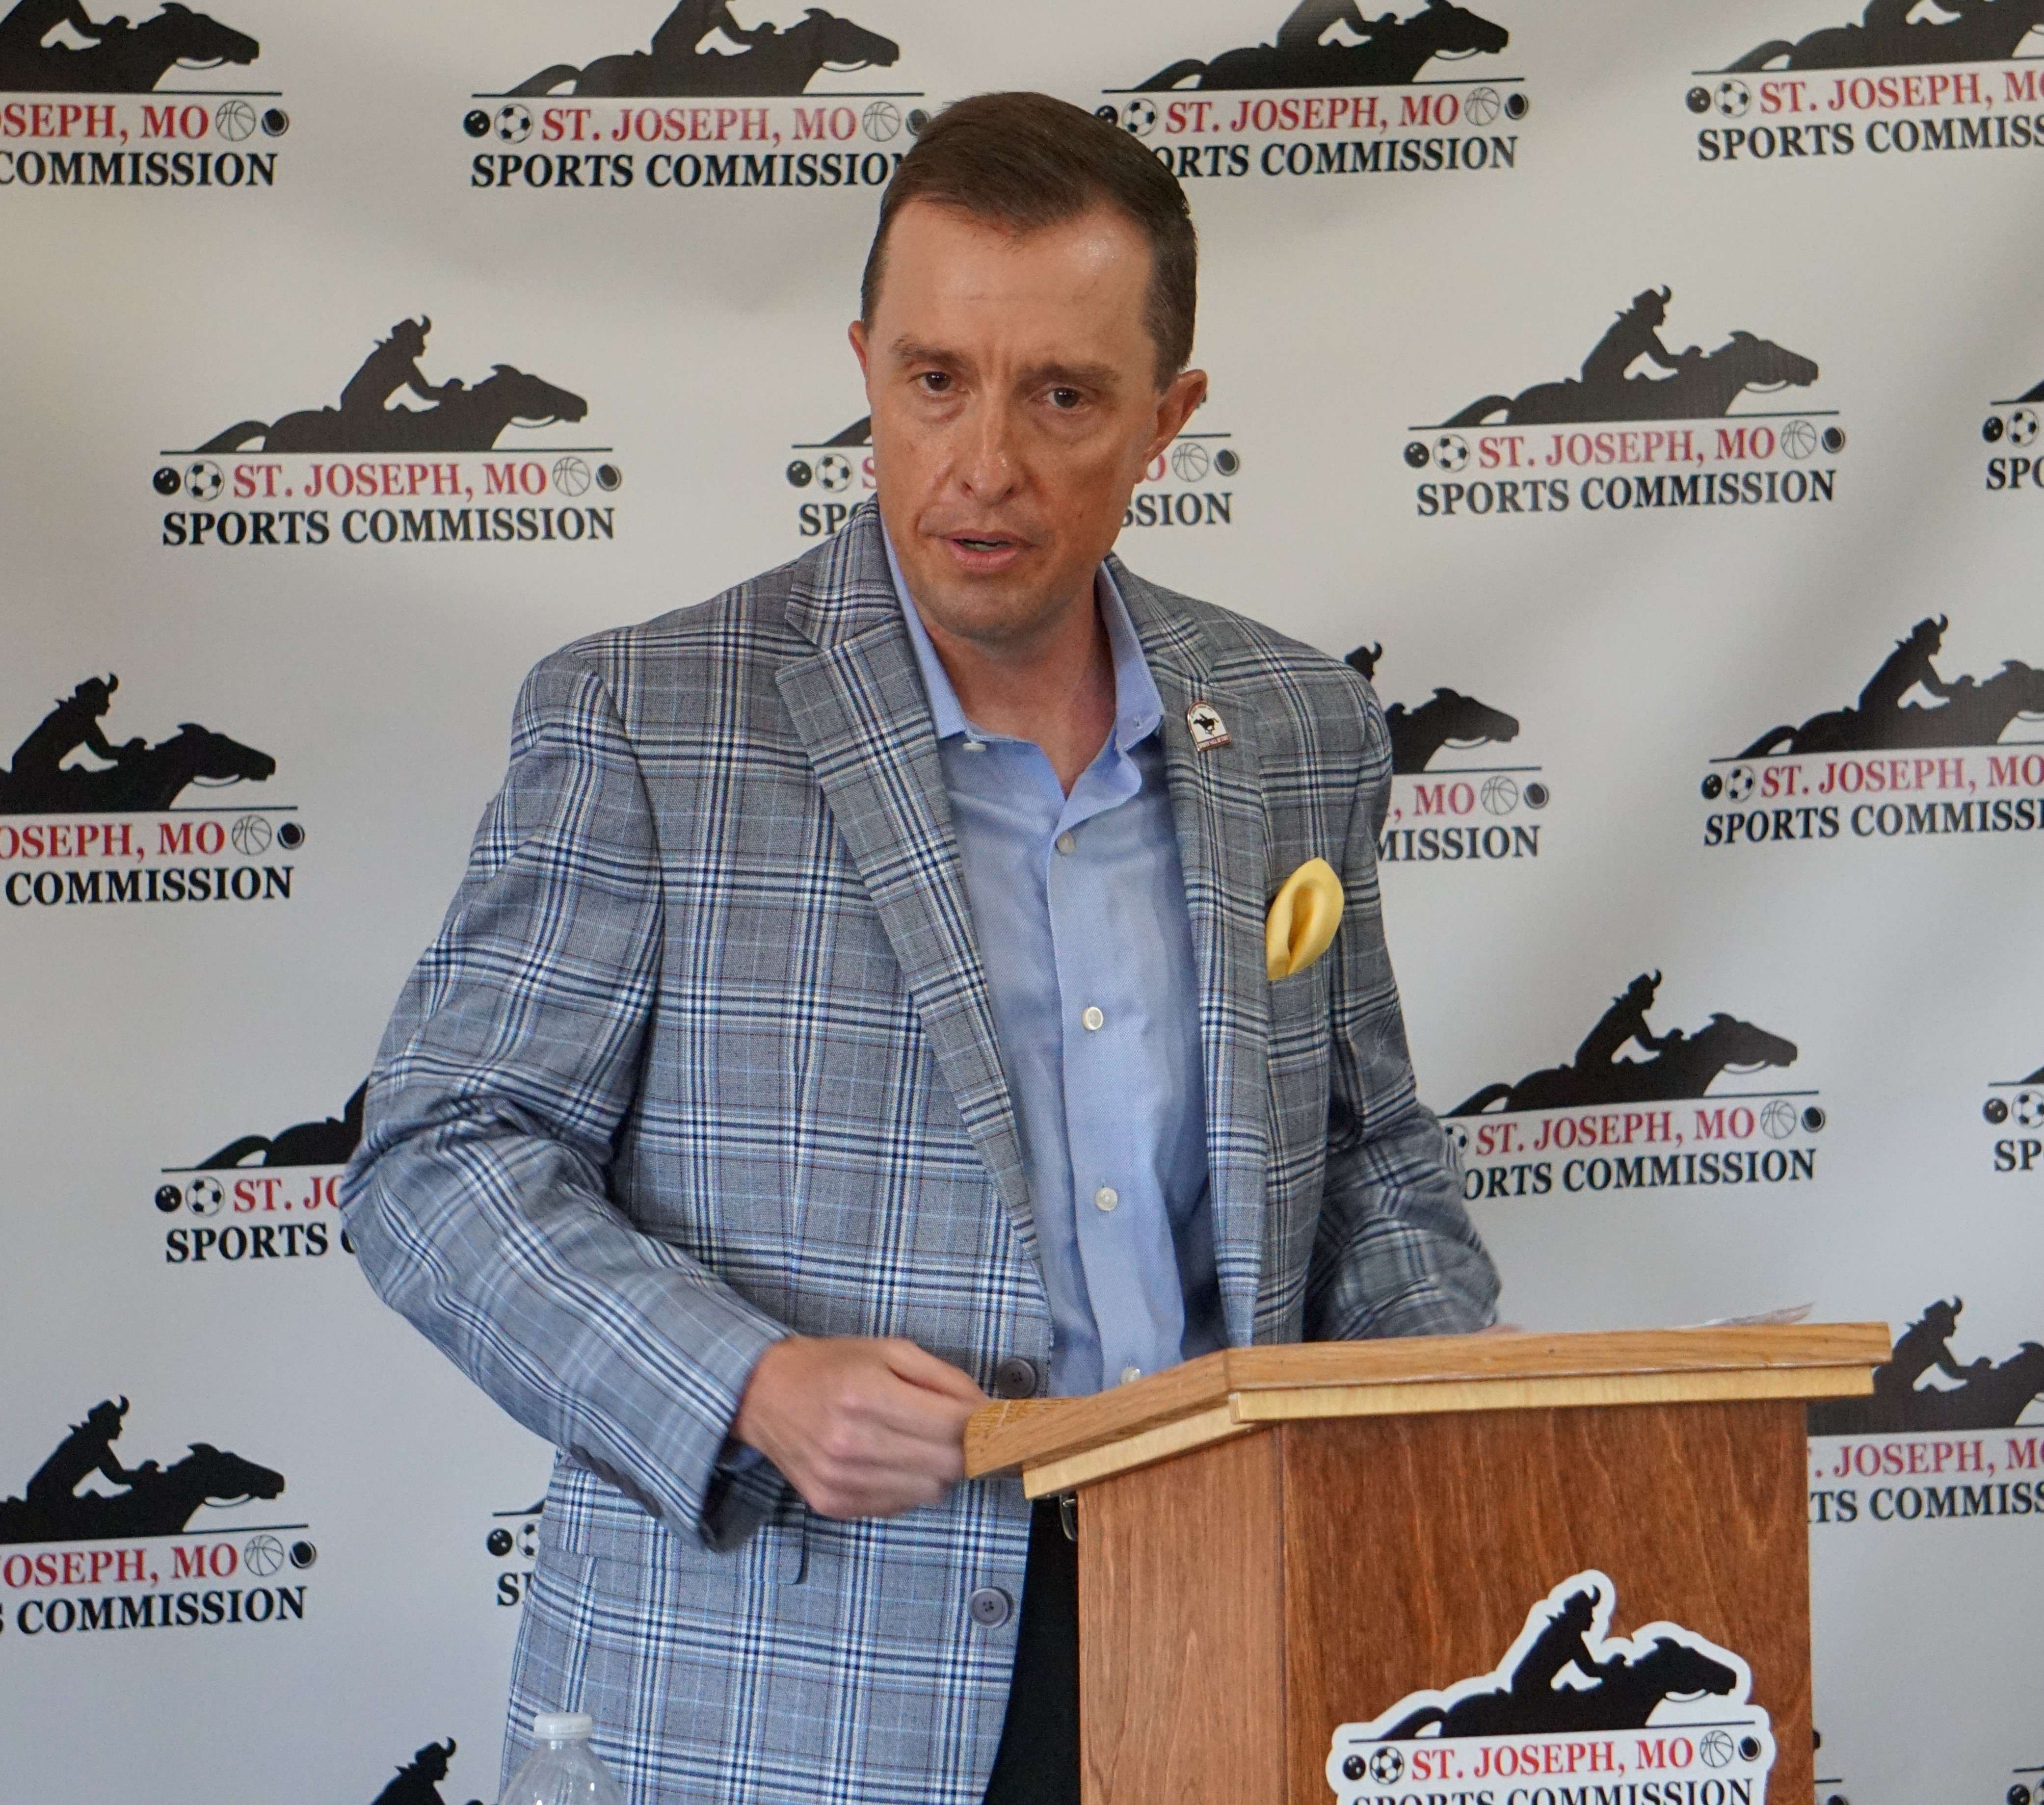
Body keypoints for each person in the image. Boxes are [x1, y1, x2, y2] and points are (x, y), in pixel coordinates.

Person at [343, 91, 1498, 1805]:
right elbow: (433, 1161)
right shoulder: (640, 714)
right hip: (779, 1683)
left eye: (1063, 395)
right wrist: (748, 1379)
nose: (983, 463)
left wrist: (1445, 1431)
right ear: (865, 364)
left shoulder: (1299, 723)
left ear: (1167, 416)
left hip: (1224, 1634)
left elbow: (1367, 1148)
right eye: (933, 379)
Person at [7, 674, 142, 793]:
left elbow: (104, 751)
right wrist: (129, 751)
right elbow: (104, 751)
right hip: (33, 770)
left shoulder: (78, 717)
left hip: (34, 767)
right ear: (92, 699)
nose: (107, 705)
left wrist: (127, 751)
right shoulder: (78, 719)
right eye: (103, 699)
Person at [337, 317, 463, 424]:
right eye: (420, 340)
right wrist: (449, 392)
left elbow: (425, 391)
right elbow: (425, 392)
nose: (423, 346)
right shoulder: (399, 361)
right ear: (409, 341)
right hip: (361, 411)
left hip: (359, 407)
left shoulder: (391, 356)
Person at [1579, 287, 1697, 398]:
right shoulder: (1640, 331)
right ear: (1651, 311)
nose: (1664, 315)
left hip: (1597, 376)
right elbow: (1664, 360)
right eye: (1660, 310)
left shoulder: (1633, 326)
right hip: (1602, 380)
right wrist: (1688, 360)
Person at [25, 1398, 140, 1510]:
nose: (120, 1428)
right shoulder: (94, 1444)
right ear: (106, 1423)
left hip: (47, 1493)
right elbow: (118, 1476)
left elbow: (118, 1475)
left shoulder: (88, 1439)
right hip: (47, 1495)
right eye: (117, 1422)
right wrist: (142, 1476)